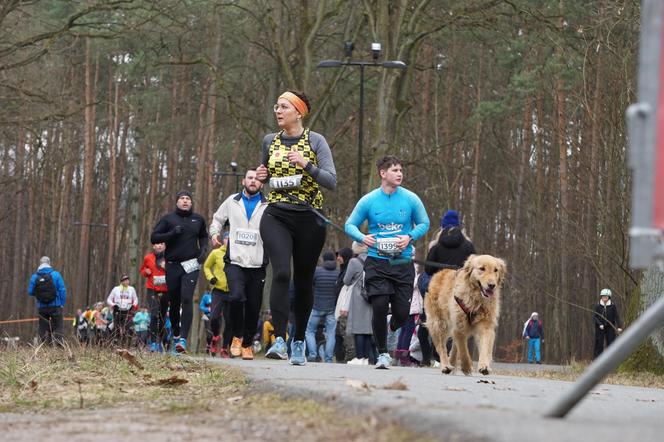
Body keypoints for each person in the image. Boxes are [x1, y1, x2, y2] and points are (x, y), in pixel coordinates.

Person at [256, 90, 337, 365]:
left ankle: (299, 340)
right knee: (280, 272)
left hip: (309, 218)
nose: (278, 111)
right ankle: (279, 339)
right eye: (276, 106)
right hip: (276, 214)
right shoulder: (270, 141)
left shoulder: (315, 141)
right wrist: (261, 176)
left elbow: (331, 180)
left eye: (284, 107)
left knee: (303, 280)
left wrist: (307, 165)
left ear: (298, 112)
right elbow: (268, 174)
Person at [345, 155, 430, 369]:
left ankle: (392, 325)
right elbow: (350, 224)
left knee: (402, 314)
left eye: (401, 170)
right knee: (380, 305)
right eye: (394, 170)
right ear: (383, 174)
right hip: (377, 262)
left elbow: (424, 223)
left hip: (402, 264)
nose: (399, 173)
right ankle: (382, 353)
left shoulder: (411, 199)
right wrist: (362, 238)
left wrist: (409, 237)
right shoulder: (369, 200)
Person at [209, 168, 269, 360]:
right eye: (249, 178)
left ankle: (248, 343)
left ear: (261, 184)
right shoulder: (232, 201)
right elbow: (217, 219)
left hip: (257, 263)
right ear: (243, 181)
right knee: (235, 298)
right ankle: (237, 336)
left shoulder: (268, 205)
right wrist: (214, 233)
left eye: (256, 179)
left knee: (253, 306)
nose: (253, 181)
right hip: (235, 260)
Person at [151, 190, 209, 353]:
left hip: (191, 264)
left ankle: (183, 339)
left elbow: (204, 236)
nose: (185, 201)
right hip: (173, 265)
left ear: (191, 203)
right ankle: (176, 335)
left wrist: (203, 250)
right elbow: (154, 237)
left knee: (186, 298)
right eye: (182, 198)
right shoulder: (168, 219)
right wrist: (171, 234)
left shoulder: (198, 219)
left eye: (188, 199)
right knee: (174, 303)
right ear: (177, 202)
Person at [419, 210, 476, 366]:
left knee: (431, 320)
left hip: (439, 287)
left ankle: (428, 358)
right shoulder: (468, 246)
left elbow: (428, 269)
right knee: (456, 322)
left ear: (442, 227)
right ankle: (446, 357)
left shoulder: (436, 245)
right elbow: (474, 269)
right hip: (460, 290)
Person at [203, 233, 235, 358]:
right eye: (227, 238)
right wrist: (211, 277)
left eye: (231, 238)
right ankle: (215, 337)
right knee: (214, 317)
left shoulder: (237, 254)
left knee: (230, 320)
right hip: (218, 290)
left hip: (232, 291)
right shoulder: (216, 253)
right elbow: (206, 266)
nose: (229, 240)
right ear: (223, 240)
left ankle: (224, 348)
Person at [304, 251, 339, 362]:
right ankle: (328, 359)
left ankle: (313, 355)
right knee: (331, 334)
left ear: (323, 259)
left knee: (309, 331)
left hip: (317, 306)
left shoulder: (317, 271)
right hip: (332, 308)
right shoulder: (338, 272)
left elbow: (310, 286)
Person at [344, 241, 374, 365]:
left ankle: (360, 357)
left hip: (358, 298)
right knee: (368, 329)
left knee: (358, 329)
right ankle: (366, 358)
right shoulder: (374, 260)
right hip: (371, 297)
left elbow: (346, 280)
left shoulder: (353, 262)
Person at [28, 256, 67, 346]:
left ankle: (44, 346)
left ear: (40, 264)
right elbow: (62, 290)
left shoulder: (34, 277)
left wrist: (39, 296)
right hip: (56, 306)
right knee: (58, 326)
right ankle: (59, 347)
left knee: (43, 327)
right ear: (49, 263)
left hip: (42, 307)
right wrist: (62, 303)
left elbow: (30, 292)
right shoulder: (56, 275)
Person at [140, 242, 168, 352]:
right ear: (153, 246)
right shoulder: (148, 257)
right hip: (152, 290)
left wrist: (167, 268)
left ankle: (159, 341)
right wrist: (146, 272)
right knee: (154, 315)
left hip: (166, 290)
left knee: (162, 317)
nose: (159, 246)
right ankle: (152, 343)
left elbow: (175, 272)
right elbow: (142, 270)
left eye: (161, 244)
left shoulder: (169, 257)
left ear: (165, 246)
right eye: (157, 244)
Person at [334, 247, 354, 362]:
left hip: (344, 307)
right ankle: (340, 358)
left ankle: (343, 359)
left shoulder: (347, 271)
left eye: (340, 255)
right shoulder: (342, 270)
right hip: (339, 305)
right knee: (339, 335)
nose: (338, 258)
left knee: (341, 335)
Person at [106, 275, 138, 346]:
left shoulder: (131, 289)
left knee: (127, 328)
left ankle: (125, 344)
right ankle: (114, 342)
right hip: (117, 310)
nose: (127, 281)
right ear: (121, 281)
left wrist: (133, 305)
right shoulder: (116, 289)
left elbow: (136, 299)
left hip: (127, 310)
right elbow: (108, 299)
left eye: (128, 280)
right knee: (116, 327)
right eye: (125, 280)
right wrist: (114, 305)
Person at [593, 288, 623, 358]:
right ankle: (597, 359)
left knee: (611, 343)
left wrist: (619, 326)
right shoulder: (598, 305)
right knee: (599, 343)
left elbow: (616, 316)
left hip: (610, 327)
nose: (604, 298)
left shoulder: (612, 306)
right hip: (600, 327)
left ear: (609, 297)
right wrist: (600, 324)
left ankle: (611, 359)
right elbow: (595, 317)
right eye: (603, 297)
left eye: (606, 297)